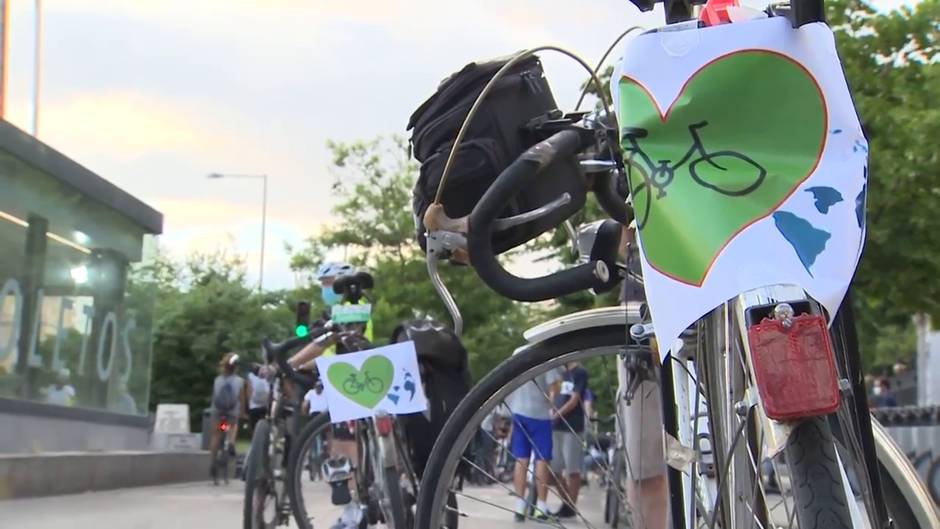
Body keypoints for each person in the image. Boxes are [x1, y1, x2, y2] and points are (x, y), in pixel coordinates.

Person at [288, 262, 372, 529]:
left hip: (350, 382)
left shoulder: (350, 309)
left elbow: (326, 343)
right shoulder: (350, 308)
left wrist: (292, 363)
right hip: (352, 380)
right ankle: (357, 508)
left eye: (328, 284)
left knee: (344, 450)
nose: (326, 290)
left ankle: (353, 513)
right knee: (344, 448)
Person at [507, 365, 563, 522]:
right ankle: (541, 508)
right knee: (542, 460)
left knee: (521, 459)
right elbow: (555, 387)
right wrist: (550, 399)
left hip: (518, 412)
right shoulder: (547, 356)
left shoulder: (517, 353)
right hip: (539, 415)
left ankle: (519, 507)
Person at [550, 362, 590, 518]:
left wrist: (556, 414)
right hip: (556, 426)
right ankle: (567, 501)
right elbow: (554, 394)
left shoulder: (580, 372)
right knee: (554, 468)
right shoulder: (560, 373)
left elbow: (574, 400)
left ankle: (570, 506)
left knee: (572, 468)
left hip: (572, 425)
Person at [209, 352, 248, 481]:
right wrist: (242, 413)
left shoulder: (217, 380)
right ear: (236, 367)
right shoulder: (240, 381)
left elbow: (214, 397)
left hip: (218, 411)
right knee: (233, 425)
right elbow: (241, 399)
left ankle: (213, 462)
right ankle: (231, 443)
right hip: (231, 412)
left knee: (216, 436)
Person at [246, 368, 269, 433]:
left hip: (254, 407)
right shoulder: (267, 380)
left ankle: (255, 440)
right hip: (264, 407)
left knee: (254, 428)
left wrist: (248, 404)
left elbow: (249, 392)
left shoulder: (252, 378)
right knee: (264, 427)